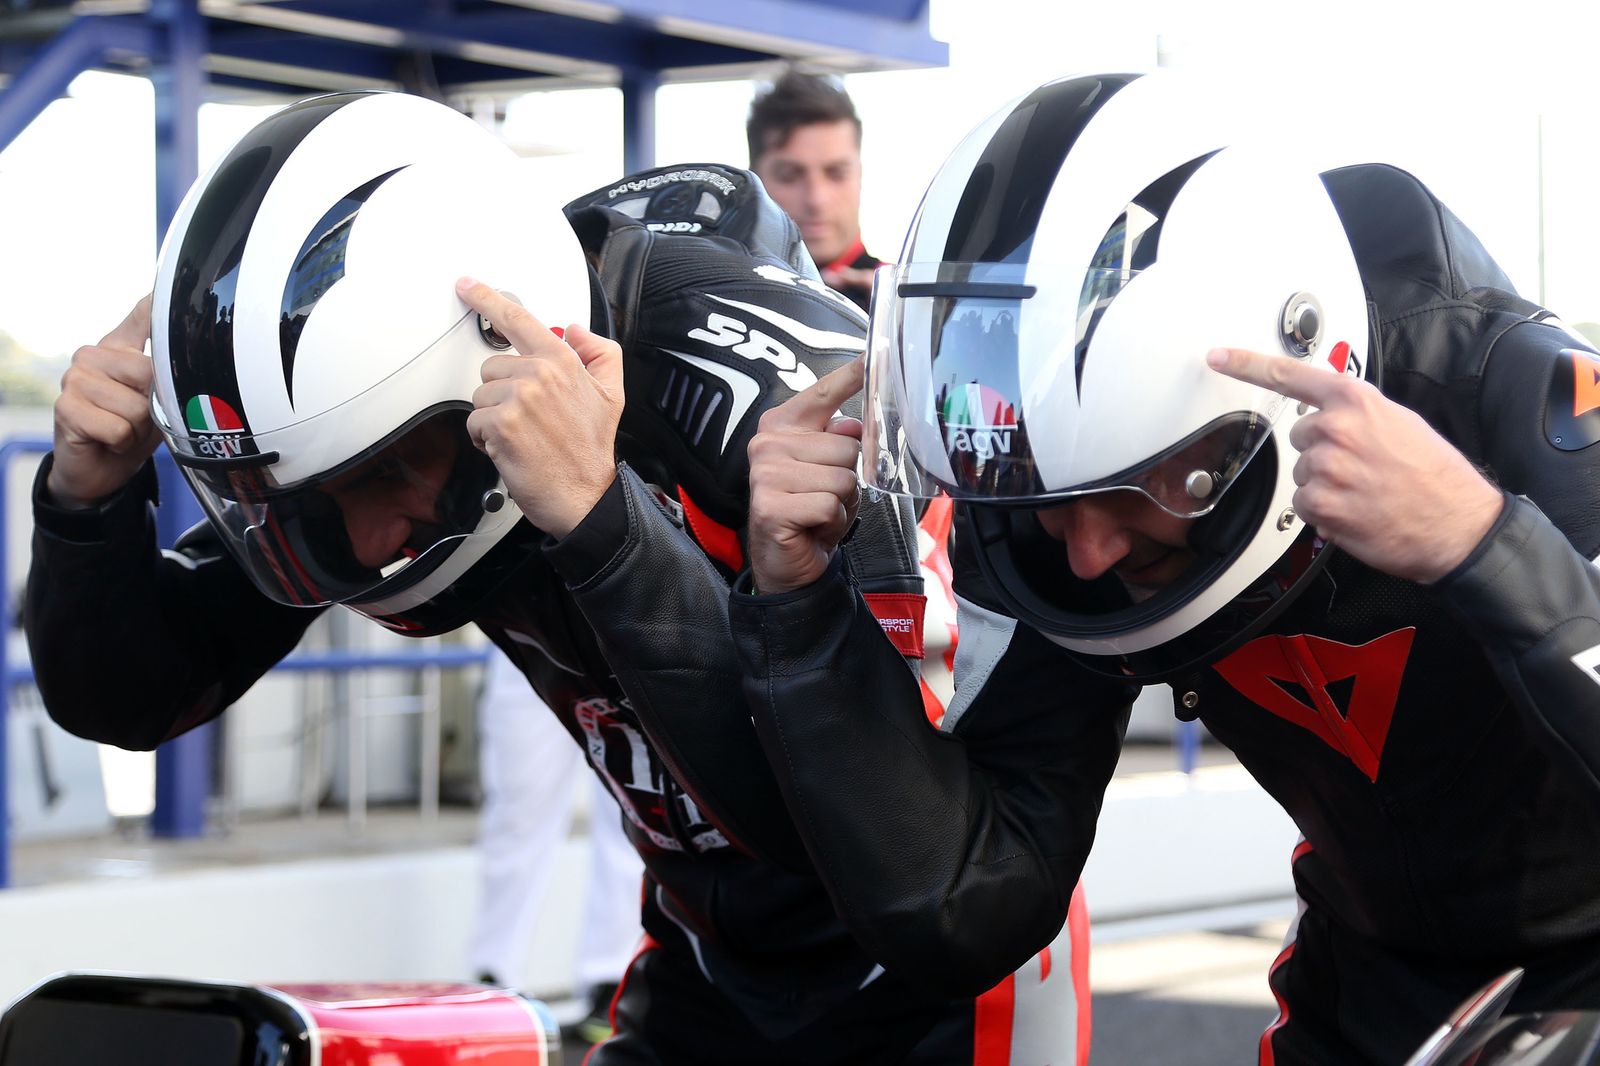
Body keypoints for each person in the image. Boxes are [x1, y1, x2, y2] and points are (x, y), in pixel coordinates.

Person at [28, 90, 1087, 1063]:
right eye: (307, 495)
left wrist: (600, 521)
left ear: (497, 366)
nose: (362, 538)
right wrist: (86, 504)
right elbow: (135, 694)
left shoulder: (776, 403)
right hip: (705, 951)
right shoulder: (375, 410)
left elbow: (901, 860)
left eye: (386, 470)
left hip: (936, 979)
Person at [733, 69, 1600, 1066]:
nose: (1089, 549)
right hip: (1368, 978)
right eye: (1053, 499)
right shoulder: (1037, 510)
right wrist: (794, 610)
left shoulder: (1504, 394)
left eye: (1139, 482)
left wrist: (1482, 545)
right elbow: (967, 907)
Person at [468, 644, 642, 1047]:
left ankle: (608, 978)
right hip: (521, 633)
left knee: (628, 811)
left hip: (613, 629)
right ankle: (494, 975)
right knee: (516, 811)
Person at [747, 70, 879, 308]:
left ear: (860, 175)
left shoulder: (914, 304)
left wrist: (905, 332)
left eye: (836, 173)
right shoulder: (716, 297)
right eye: (789, 176)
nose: (816, 199)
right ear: (753, 183)